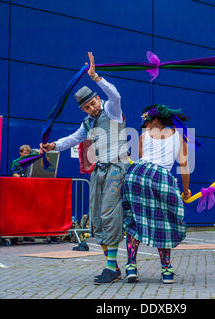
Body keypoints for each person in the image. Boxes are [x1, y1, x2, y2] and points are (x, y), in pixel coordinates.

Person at [40, 52, 129, 284]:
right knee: (97, 216)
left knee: (110, 213)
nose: (91, 108)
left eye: (92, 102)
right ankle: (112, 265)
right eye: (87, 107)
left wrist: (95, 76)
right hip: (99, 170)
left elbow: (116, 94)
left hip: (117, 167)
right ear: (83, 110)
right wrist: (52, 146)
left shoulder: (112, 110)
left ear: (98, 99)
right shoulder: (87, 122)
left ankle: (112, 267)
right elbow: (72, 139)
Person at [121, 104, 191, 284]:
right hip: (161, 178)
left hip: (136, 175)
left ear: (156, 121)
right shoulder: (178, 137)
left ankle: (131, 266)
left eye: (147, 123)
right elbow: (184, 167)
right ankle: (166, 269)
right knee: (165, 223)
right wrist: (185, 191)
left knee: (134, 219)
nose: (145, 127)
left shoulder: (144, 136)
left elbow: (141, 160)